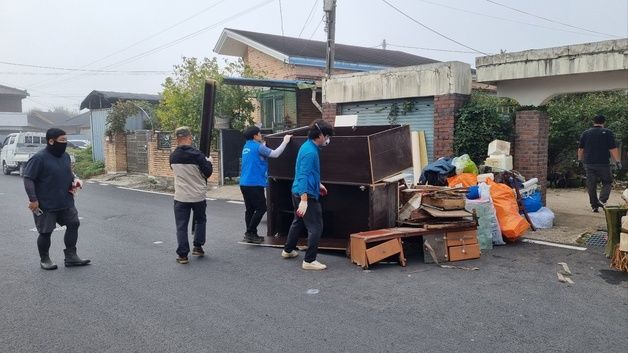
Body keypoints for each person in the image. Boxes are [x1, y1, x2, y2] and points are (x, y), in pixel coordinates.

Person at [23, 128, 90, 270]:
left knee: (73, 224)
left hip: (66, 201)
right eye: (62, 140)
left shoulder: (65, 156)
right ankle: (45, 259)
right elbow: (28, 179)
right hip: (45, 204)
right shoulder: (39, 158)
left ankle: (71, 256)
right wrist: (33, 199)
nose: (65, 143)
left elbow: (68, 172)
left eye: (66, 140)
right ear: (51, 141)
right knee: (45, 232)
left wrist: (75, 181)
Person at [282, 119, 334, 270]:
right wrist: (304, 199)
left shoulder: (307, 147)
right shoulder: (311, 152)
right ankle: (309, 260)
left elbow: (305, 172)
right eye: (327, 135)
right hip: (306, 195)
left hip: (297, 191)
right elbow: (303, 175)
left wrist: (318, 185)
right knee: (316, 227)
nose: (328, 139)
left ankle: (288, 250)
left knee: (298, 221)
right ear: (320, 135)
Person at [239, 126, 292, 244]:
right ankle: (249, 232)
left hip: (244, 183)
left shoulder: (246, 146)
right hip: (254, 183)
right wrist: (285, 141)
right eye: (259, 133)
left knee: (250, 210)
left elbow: (258, 155)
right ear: (254, 136)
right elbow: (275, 154)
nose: (261, 135)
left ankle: (252, 234)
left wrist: (263, 144)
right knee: (261, 208)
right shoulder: (258, 147)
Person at [169, 127, 213, 264]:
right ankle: (198, 247)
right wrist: (209, 162)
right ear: (189, 137)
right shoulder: (197, 155)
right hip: (198, 196)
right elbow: (208, 173)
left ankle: (183, 256)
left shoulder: (173, 156)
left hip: (181, 196)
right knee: (200, 220)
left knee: (181, 225)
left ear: (177, 139)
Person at [577, 114, 622, 213]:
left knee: (591, 185)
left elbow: (581, 148)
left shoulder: (586, 133)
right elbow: (613, 148)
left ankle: (594, 206)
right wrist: (618, 161)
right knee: (607, 182)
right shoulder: (607, 132)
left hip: (589, 163)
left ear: (593, 121)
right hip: (603, 163)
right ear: (604, 122)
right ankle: (602, 200)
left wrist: (579, 160)